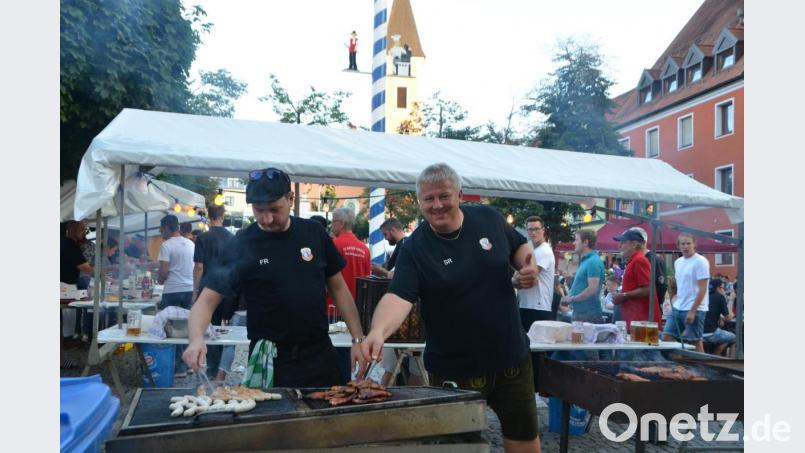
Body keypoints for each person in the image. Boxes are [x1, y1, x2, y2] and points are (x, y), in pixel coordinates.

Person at [362, 163, 542, 453]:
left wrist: (526, 266)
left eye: (444, 196)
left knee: (523, 439)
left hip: (511, 358)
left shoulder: (489, 219)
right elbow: (399, 297)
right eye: (428, 199)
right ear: (419, 202)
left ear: (459, 194)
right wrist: (377, 332)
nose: (437, 206)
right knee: (459, 448)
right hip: (455, 368)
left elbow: (519, 247)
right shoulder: (415, 247)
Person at [183, 168, 368, 388]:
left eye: (274, 209)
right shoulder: (242, 242)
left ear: (290, 199)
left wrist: (357, 339)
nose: (267, 218)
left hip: (318, 354)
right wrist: (196, 339)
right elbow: (206, 301)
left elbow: (338, 289)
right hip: (267, 358)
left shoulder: (314, 233)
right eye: (259, 210)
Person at [328, 207, 372, 382]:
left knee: (334, 353)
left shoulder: (334, 245)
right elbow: (368, 279)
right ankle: (346, 383)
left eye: (333, 221)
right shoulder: (364, 249)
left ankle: (336, 386)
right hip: (356, 310)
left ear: (341, 223)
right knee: (347, 350)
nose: (331, 225)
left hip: (333, 309)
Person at [193, 204, 233, 378]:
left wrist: (195, 290)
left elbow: (199, 267)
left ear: (209, 216)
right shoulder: (232, 238)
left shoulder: (203, 238)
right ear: (222, 217)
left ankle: (212, 368)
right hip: (228, 289)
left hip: (207, 291)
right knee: (225, 330)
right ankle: (221, 371)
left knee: (210, 330)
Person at [157, 214, 195, 377]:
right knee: (185, 328)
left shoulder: (166, 245)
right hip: (188, 289)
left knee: (172, 329)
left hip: (172, 290)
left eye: (161, 229)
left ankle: (178, 368)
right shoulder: (190, 244)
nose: (160, 232)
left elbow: (164, 272)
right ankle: (188, 364)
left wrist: (159, 278)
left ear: (166, 228)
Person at [662, 233, 709, 352]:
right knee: (666, 337)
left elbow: (703, 289)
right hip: (678, 306)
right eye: (683, 243)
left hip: (696, 308)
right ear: (678, 246)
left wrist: (693, 311)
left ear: (694, 244)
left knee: (695, 341)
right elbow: (680, 285)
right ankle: (681, 365)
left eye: (688, 243)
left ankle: (702, 369)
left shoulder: (701, 261)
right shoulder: (678, 262)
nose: (686, 246)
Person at [611, 229, 661, 328]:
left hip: (642, 322)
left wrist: (624, 296)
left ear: (634, 244)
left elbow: (648, 289)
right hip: (636, 320)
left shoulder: (639, 260)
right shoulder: (634, 260)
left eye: (623, 242)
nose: (619, 246)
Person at [513, 216, 555, 329]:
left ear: (543, 230)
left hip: (537, 307)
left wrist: (515, 278)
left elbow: (529, 276)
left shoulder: (544, 251)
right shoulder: (534, 250)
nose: (533, 232)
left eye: (537, 229)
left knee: (533, 345)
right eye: (530, 229)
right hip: (529, 306)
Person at [561, 229, 605, 324]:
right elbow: (583, 286)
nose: (574, 243)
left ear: (585, 242)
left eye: (576, 240)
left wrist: (571, 299)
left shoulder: (593, 261)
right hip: (582, 313)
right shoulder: (586, 260)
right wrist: (570, 280)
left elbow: (592, 289)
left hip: (588, 315)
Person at [703, 278, 735, 356]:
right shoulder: (720, 297)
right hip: (710, 333)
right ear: (718, 288)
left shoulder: (704, 296)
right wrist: (731, 300)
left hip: (698, 332)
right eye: (722, 287)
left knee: (725, 336)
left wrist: (719, 318)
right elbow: (729, 317)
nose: (723, 289)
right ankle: (718, 356)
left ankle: (714, 355)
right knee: (735, 337)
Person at [61, 220, 94, 289]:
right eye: (82, 229)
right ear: (72, 229)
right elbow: (86, 269)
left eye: (85, 230)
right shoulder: (71, 245)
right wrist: (105, 269)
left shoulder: (62, 241)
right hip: (65, 287)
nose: (84, 233)